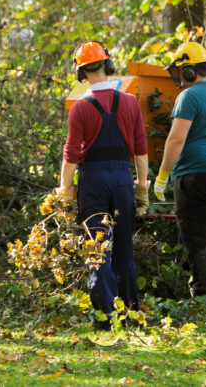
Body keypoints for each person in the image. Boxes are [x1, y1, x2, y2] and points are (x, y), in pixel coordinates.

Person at [58, 41, 150, 330]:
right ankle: (130, 314)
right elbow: (141, 149)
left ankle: (106, 318)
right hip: (122, 180)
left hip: (94, 182)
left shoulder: (79, 109)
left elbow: (71, 155)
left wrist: (64, 190)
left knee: (98, 249)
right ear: (108, 65)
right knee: (124, 249)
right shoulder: (131, 103)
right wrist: (142, 187)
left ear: (81, 73)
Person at [153, 41, 206, 298]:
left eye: (180, 71)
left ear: (188, 70)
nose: (178, 76)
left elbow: (176, 140)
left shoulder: (188, 96)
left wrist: (162, 176)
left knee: (194, 235)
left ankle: (203, 293)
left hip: (195, 173)